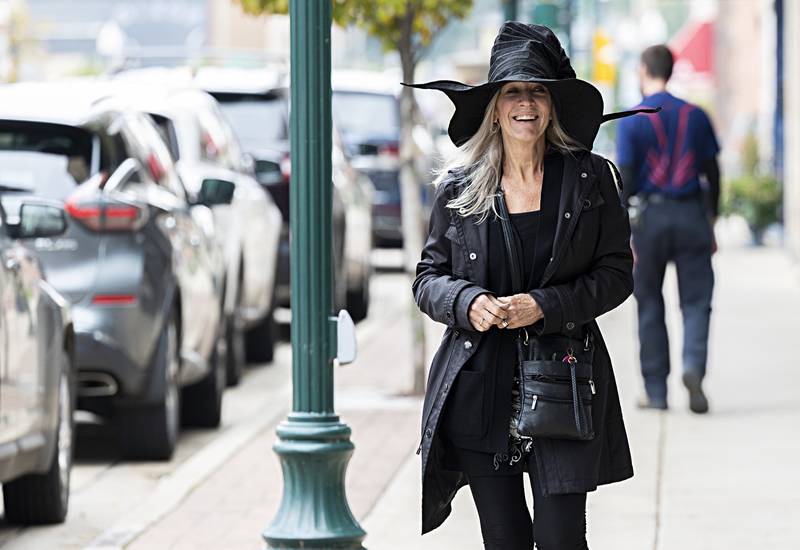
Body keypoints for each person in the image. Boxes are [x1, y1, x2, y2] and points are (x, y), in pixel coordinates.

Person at [409, 22, 653, 550]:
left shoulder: (591, 180)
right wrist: (467, 302)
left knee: (563, 539)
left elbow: (617, 275)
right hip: (478, 388)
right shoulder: (458, 185)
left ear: (552, 104)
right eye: (513, 91)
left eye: (538, 91)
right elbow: (428, 279)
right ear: (495, 106)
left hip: (562, 384)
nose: (526, 103)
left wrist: (543, 306)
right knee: (505, 541)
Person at [616, 45, 720, 414]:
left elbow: (625, 181)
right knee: (696, 302)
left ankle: (656, 392)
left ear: (644, 70)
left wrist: (622, 232)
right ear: (671, 70)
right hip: (691, 214)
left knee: (649, 304)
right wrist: (711, 219)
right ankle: (693, 368)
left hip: (650, 221)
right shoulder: (696, 116)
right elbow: (712, 170)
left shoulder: (632, 120)